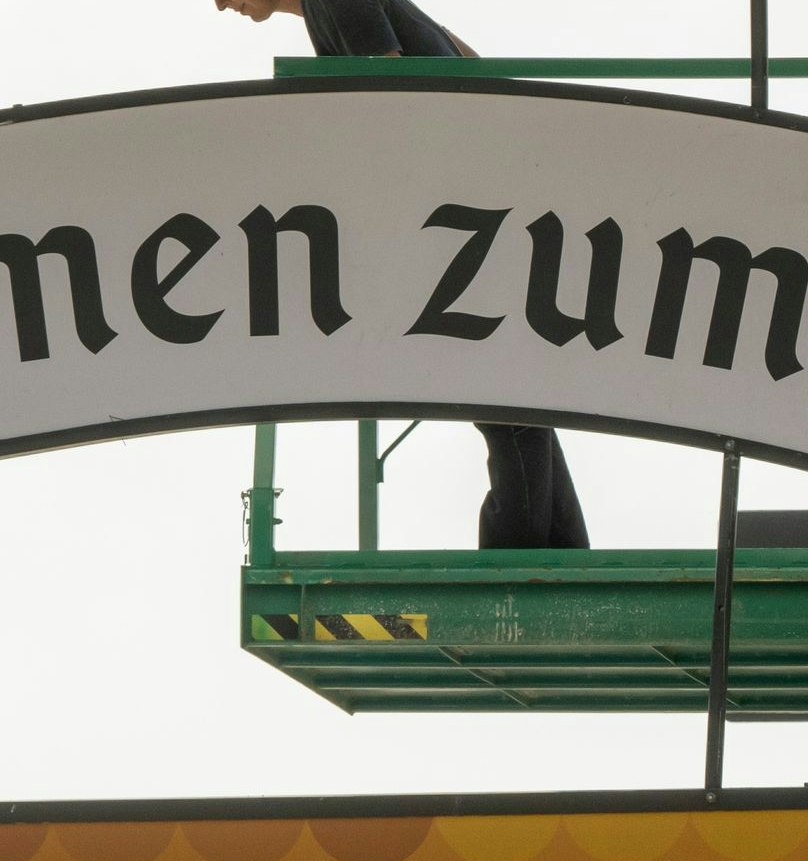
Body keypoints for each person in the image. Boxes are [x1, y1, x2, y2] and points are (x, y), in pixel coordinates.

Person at [207, 0, 593, 551]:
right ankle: (564, 548)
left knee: (498, 391)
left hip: (462, 210)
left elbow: (397, 106)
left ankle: (518, 557)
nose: (219, 4)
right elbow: (464, 58)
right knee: (513, 391)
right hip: (486, 194)